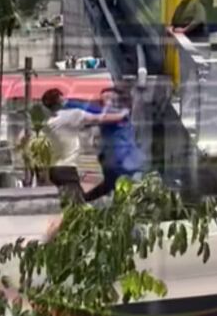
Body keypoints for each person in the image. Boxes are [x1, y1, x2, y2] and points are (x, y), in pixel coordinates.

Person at [40, 88, 128, 240]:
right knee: (75, 210)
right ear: (60, 100)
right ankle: (48, 240)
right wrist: (123, 114)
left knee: (76, 205)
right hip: (66, 170)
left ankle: (60, 238)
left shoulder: (49, 122)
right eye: (63, 98)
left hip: (56, 170)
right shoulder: (72, 115)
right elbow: (100, 118)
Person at [82, 87, 146, 203]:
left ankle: (84, 199)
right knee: (113, 185)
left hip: (125, 159)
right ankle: (84, 199)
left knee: (119, 187)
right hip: (111, 159)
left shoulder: (123, 112)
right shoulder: (102, 114)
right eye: (104, 99)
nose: (107, 101)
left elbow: (110, 118)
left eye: (110, 98)